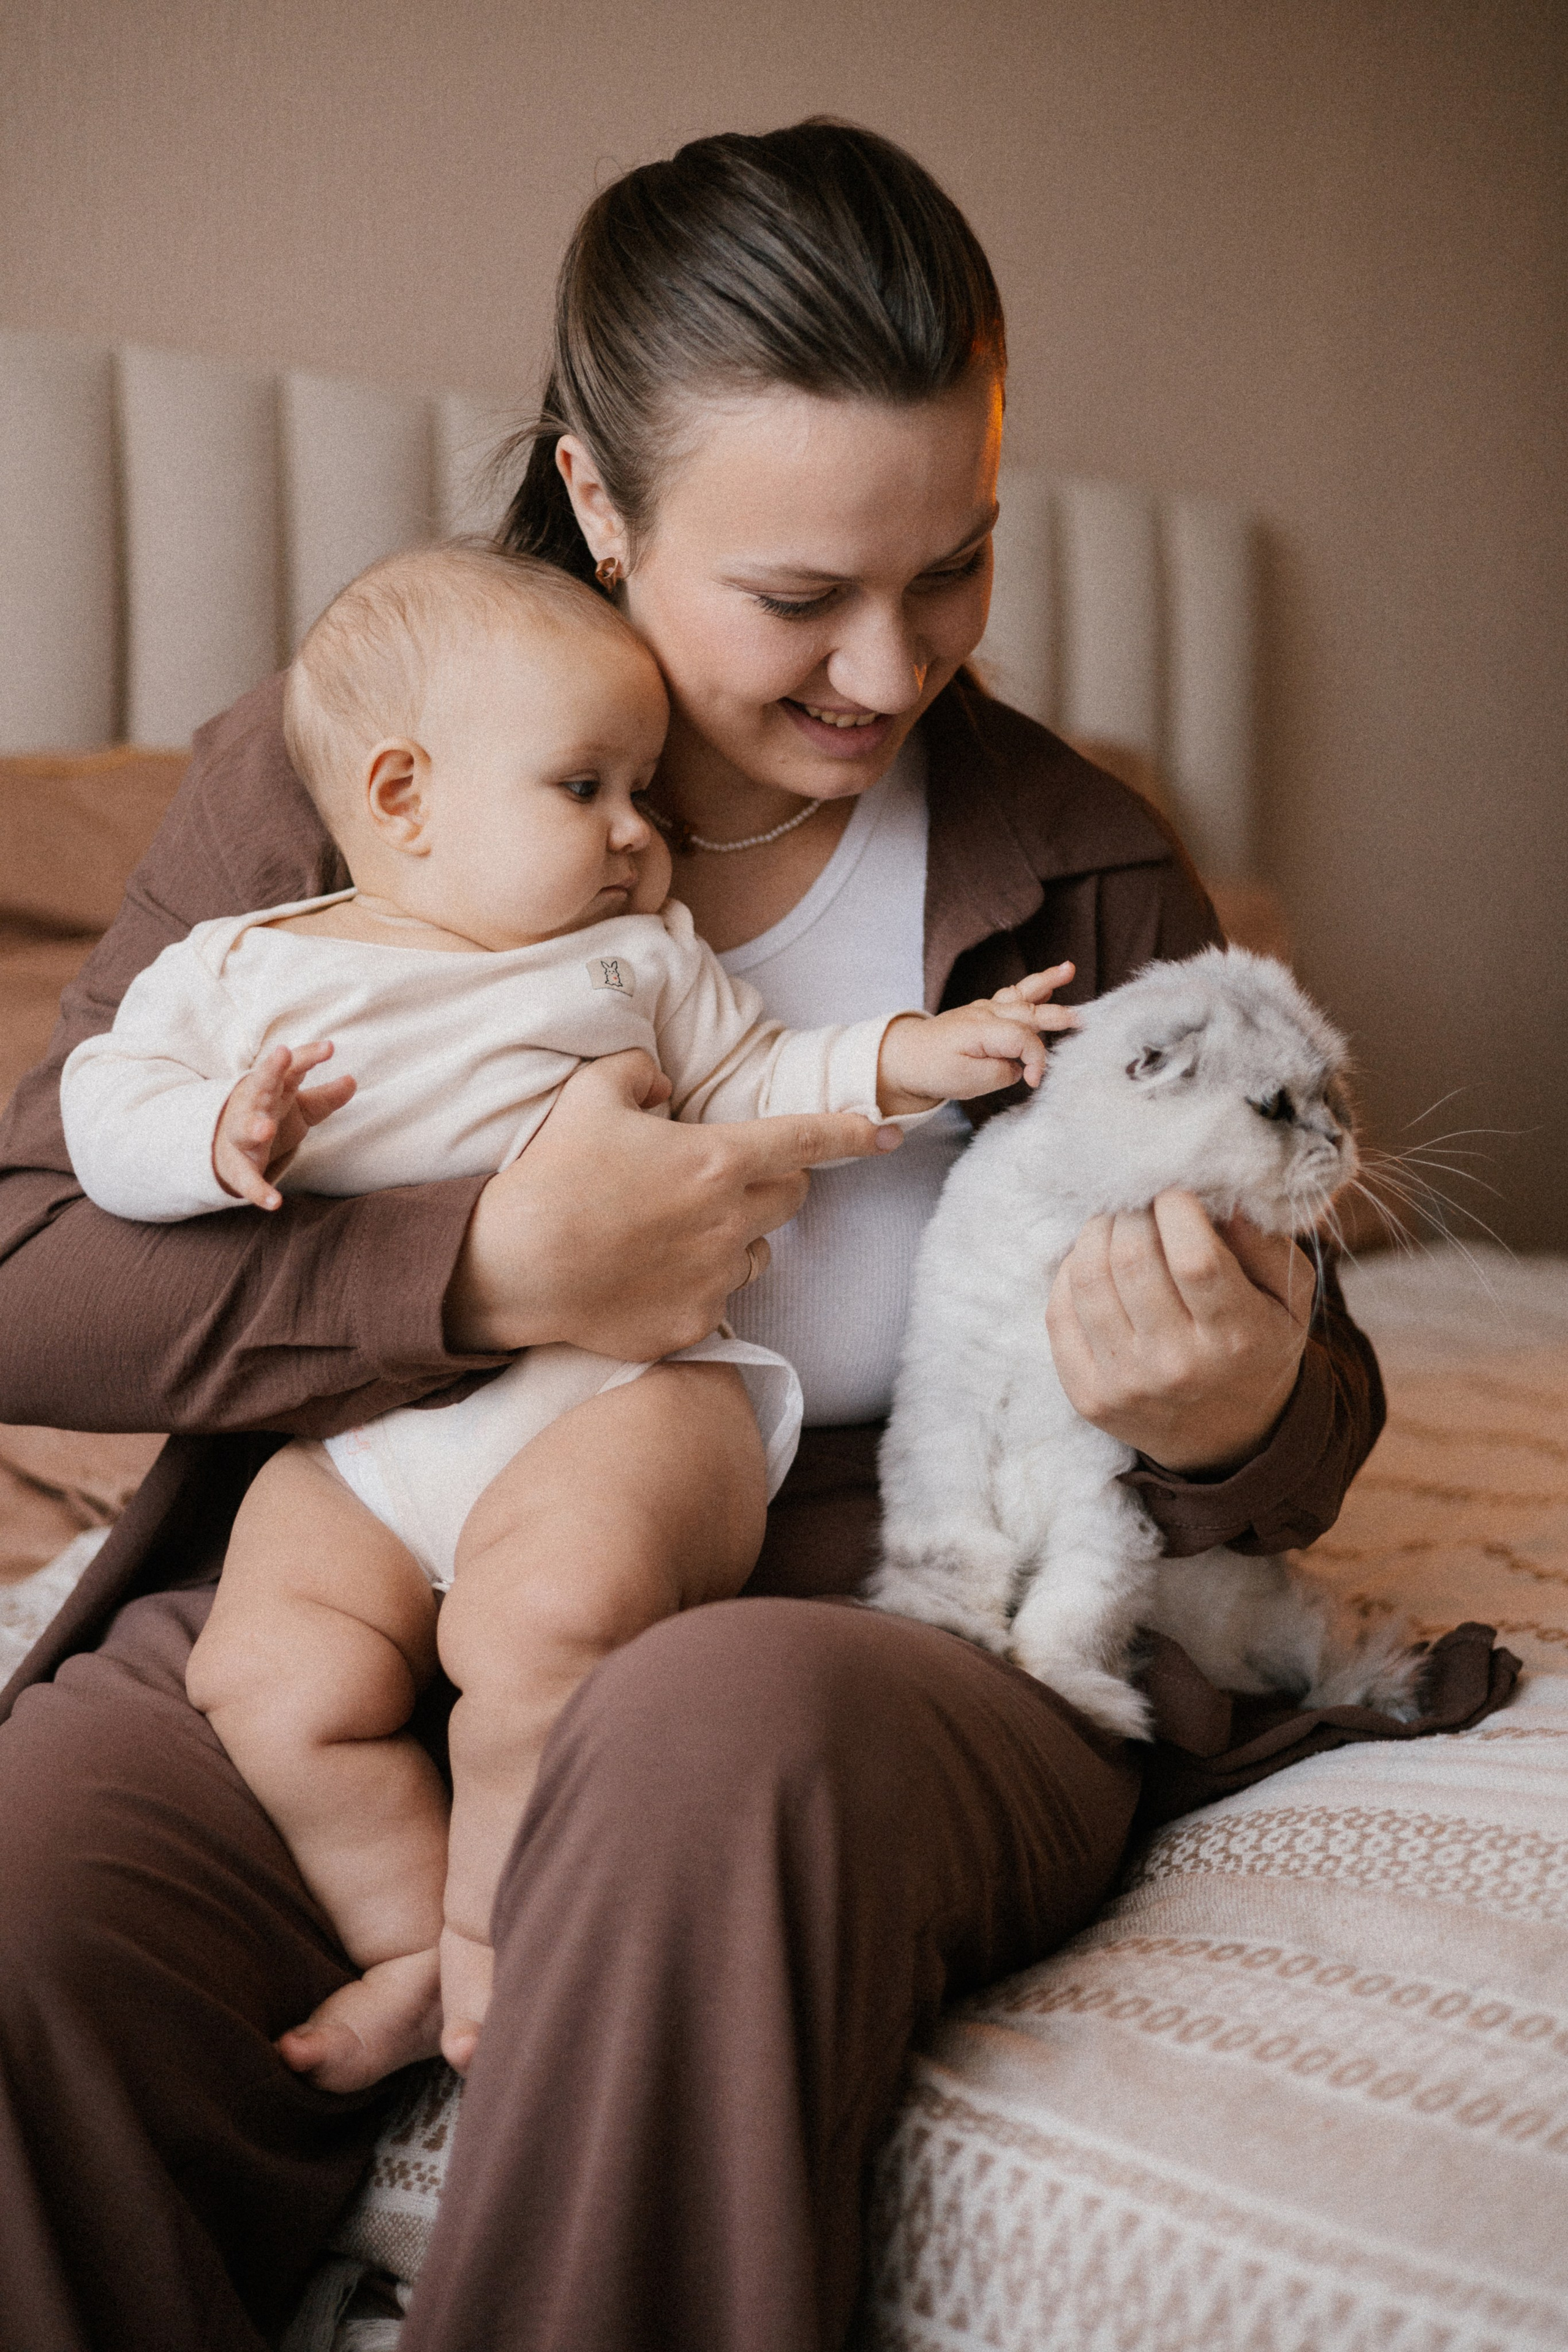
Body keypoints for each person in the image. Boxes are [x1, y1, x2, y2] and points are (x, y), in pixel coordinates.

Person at [0, 123, 1385, 2352]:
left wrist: (1232, 1412)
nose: (889, 666)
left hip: (857, 1615)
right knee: (29, 1891)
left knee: (702, 1731)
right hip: (374, 1540)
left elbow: (1315, 1408)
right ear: (600, 503)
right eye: (799, 596)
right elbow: (27, 1262)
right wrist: (470, 1279)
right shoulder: (352, 764)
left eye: (954, 568)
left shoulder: (1083, 860)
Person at [58, 538, 1076, 2093]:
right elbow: (97, 1106)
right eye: (584, 790)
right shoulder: (239, 972)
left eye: (644, 795)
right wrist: (209, 1143)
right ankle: (401, 1935)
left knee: (532, 1628)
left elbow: (758, 1075)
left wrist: (906, 1058)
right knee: (268, 1678)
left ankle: (489, 1946)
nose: (635, 835)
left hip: (632, 1397)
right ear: (400, 798)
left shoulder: (633, 962)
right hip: (372, 1435)